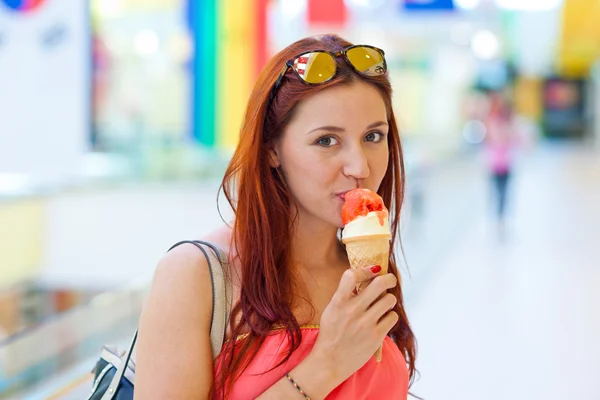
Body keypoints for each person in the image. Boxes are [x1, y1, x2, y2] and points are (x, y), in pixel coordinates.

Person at [134, 34, 417, 399]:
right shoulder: (196, 276)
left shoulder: (363, 270)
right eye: (327, 141)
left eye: (374, 136)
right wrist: (326, 363)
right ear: (272, 150)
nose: (359, 167)